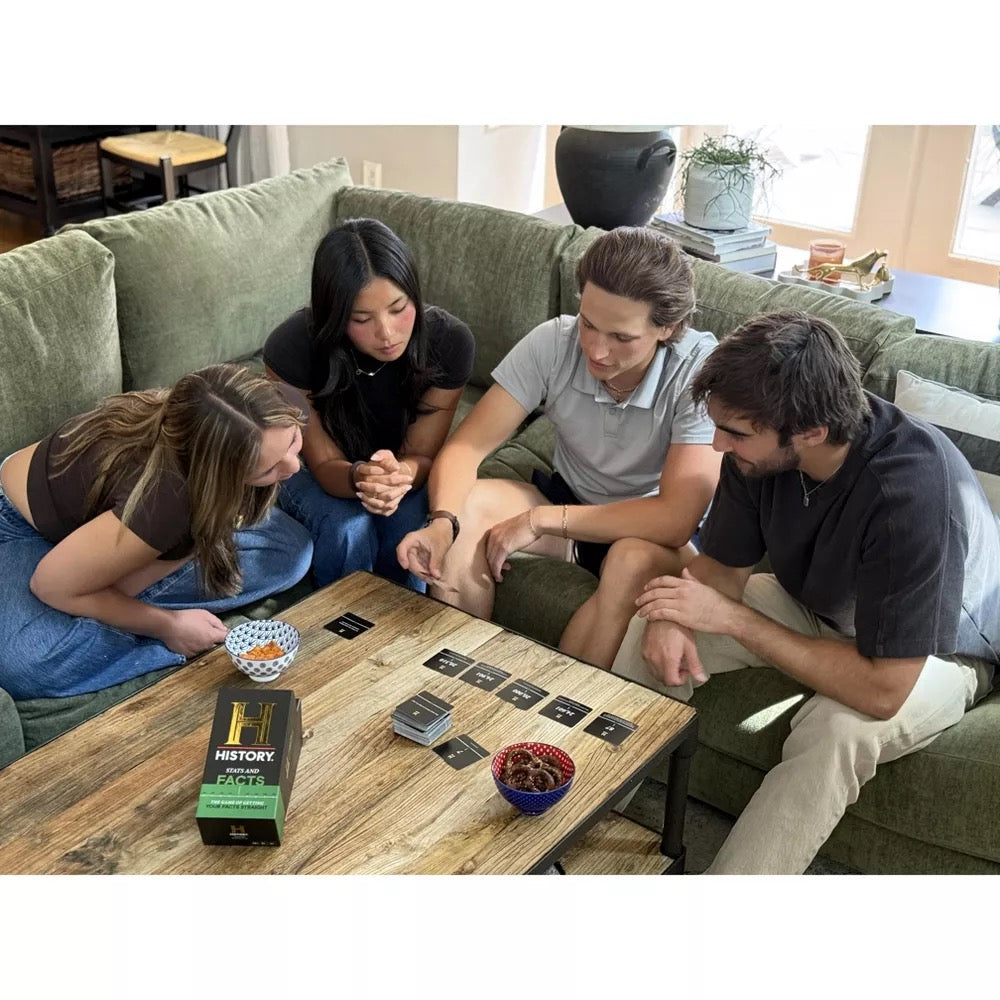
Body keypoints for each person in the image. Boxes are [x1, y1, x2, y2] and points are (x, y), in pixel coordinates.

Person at [610, 309, 1000, 874]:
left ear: (812, 433)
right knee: (655, 620)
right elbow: (721, 571)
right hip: (818, 610)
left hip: (937, 654)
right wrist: (673, 615)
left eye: (735, 433)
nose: (718, 444)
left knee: (837, 730)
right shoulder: (756, 454)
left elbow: (884, 690)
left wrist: (735, 621)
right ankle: (581, 828)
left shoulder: (911, 497)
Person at [396, 226, 721, 667]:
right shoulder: (554, 341)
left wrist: (542, 520)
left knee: (628, 560)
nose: (596, 350)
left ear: (669, 328)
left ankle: (558, 707)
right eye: (588, 323)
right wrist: (442, 523)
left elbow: (675, 519)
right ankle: (455, 672)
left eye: (621, 337)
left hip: (647, 532)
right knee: (464, 508)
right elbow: (465, 449)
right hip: (569, 498)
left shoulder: (698, 372)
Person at [0, 363, 314, 701]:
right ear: (214, 472)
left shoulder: (207, 412)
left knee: (290, 551)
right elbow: (50, 585)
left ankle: (111, 591)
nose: (293, 467)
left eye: (293, 440)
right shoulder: (164, 502)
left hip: (125, 527)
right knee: (27, 663)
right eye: (268, 469)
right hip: (21, 528)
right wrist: (169, 626)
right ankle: (116, 603)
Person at [263, 218, 474, 593]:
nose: (387, 333)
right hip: (308, 468)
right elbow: (323, 464)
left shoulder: (448, 342)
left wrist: (397, 477)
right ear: (335, 316)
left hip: (399, 469)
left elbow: (423, 455)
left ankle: (403, 628)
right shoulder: (291, 347)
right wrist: (361, 477)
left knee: (408, 526)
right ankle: (342, 623)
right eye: (361, 319)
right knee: (347, 526)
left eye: (398, 308)